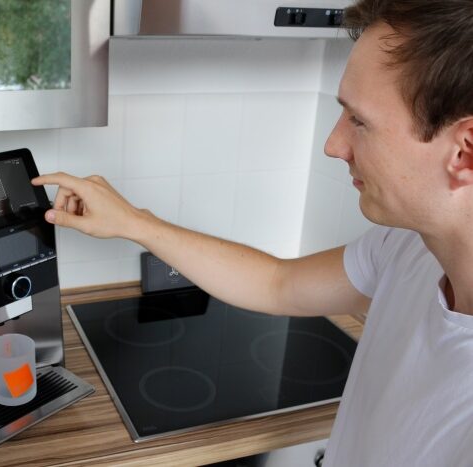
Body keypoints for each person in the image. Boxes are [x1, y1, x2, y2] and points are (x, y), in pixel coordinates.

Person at [32, 0, 473, 464]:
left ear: (463, 152)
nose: (334, 144)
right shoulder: (407, 250)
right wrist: (133, 222)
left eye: (359, 121)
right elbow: (277, 283)